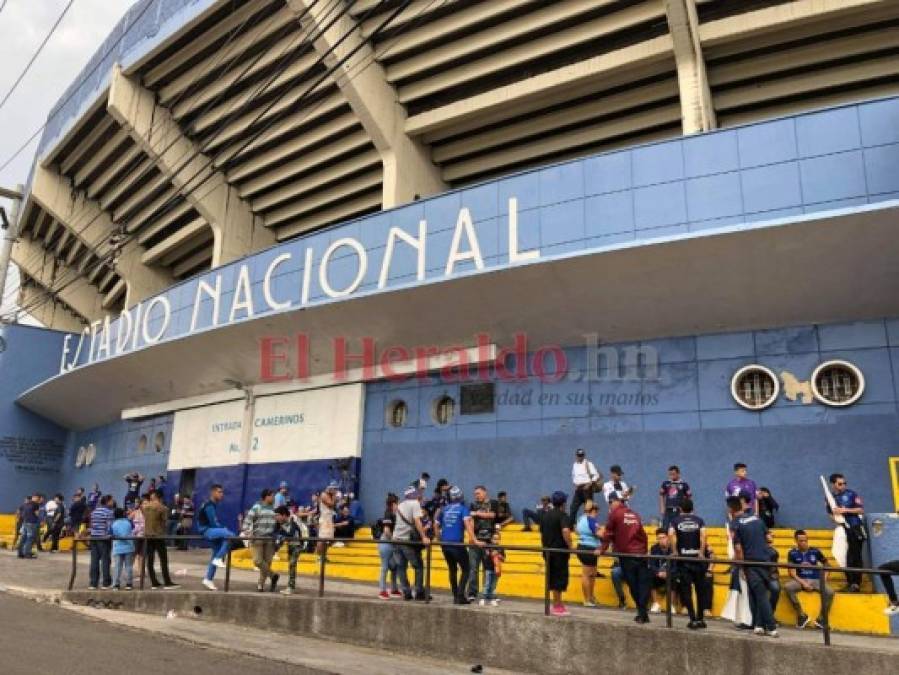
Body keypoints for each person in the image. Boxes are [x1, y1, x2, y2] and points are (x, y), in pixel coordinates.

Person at [728, 495, 777, 637]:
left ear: (731, 509)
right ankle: (759, 624)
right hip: (766, 561)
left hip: (751, 563)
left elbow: (738, 549)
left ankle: (771, 627)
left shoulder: (736, 524)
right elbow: (769, 538)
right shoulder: (757, 519)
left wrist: (742, 567)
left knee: (760, 595)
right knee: (755, 594)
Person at [600, 492, 651, 624]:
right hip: (640, 554)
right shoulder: (634, 514)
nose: (609, 506)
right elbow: (643, 535)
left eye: (610, 503)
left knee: (633, 585)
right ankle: (643, 613)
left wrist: (601, 549)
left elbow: (608, 533)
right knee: (643, 584)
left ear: (614, 501)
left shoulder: (615, 514)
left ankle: (642, 612)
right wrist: (644, 551)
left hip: (627, 555)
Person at [668, 498, 708, 630]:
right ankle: (701, 619)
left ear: (680, 509)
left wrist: (674, 551)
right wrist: (701, 552)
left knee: (686, 591)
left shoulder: (675, 521)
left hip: (684, 561)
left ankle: (693, 619)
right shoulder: (699, 520)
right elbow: (704, 536)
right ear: (692, 509)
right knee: (700, 591)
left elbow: (671, 535)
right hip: (698, 561)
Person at [436, 485, 478, 604]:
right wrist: (474, 539)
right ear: (460, 496)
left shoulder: (444, 509)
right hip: (457, 545)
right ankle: (460, 595)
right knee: (466, 569)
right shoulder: (463, 509)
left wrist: (440, 540)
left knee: (452, 569)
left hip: (445, 545)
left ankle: (455, 595)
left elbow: (435, 525)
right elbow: (467, 524)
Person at [785, 529, 833, 629]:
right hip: (800, 579)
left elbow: (827, 565)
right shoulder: (792, 553)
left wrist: (823, 580)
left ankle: (821, 619)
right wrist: (803, 583)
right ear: (796, 541)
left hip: (815, 580)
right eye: (801, 541)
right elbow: (791, 573)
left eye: (805, 540)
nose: (804, 543)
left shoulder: (815, 551)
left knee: (830, 592)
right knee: (788, 587)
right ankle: (801, 615)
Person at [827, 473, 866, 592]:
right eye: (839, 484)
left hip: (855, 527)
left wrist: (845, 510)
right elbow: (830, 514)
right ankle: (850, 582)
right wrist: (836, 518)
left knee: (855, 555)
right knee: (843, 556)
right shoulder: (830, 498)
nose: (843, 486)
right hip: (842, 528)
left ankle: (856, 583)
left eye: (844, 483)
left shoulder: (851, 494)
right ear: (833, 484)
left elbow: (861, 509)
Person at [393, 486, 430, 601]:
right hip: (406, 540)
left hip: (395, 540)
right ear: (414, 495)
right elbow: (417, 521)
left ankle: (406, 592)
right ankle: (419, 592)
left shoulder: (400, 505)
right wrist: (424, 537)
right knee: (418, 566)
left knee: (401, 567)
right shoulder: (414, 504)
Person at [540, 491, 573, 617]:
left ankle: (556, 604)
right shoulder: (563, 515)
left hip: (548, 551)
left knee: (552, 578)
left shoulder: (545, 515)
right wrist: (570, 545)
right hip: (559, 552)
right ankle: (557, 606)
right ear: (563, 503)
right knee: (559, 578)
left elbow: (542, 533)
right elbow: (565, 531)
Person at [197, 484, 234, 591]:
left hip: (209, 529)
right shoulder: (209, 505)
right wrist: (223, 529)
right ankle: (219, 558)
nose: (222, 494)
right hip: (206, 530)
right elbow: (213, 523)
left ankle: (208, 579)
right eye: (219, 492)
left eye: (222, 492)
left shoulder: (211, 504)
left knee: (217, 551)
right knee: (229, 535)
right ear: (213, 493)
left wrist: (222, 529)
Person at [243, 488, 280, 592]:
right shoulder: (257, 507)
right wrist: (248, 532)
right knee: (257, 561)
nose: (273, 498)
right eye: (272, 496)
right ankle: (273, 575)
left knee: (267, 562)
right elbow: (247, 521)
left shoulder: (274, 509)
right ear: (266, 496)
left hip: (270, 539)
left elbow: (277, 524)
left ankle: (261, 585)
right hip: (258, 538)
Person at [466, 486, 498, 600]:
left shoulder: (493, 503)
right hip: (475, 541)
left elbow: (492, 515)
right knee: (473, 568)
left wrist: (477, 513)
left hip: (488, 541)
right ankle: (472, 592)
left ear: (485, 492)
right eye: (475, 494)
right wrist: (472, 538)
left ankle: (487, 592)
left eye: (478, 493)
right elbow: (470, 521)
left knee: (488, 569)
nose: (476, 495)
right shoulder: (472, 505)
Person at [143, 491, 179, 589]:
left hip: (148, 535)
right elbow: (164, 521)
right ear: (160, 497)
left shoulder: (145, 507)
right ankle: (167, 581)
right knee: (163, 559)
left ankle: (154, 582)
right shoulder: (163, 508)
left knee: (150, 560)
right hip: (158, 535)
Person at [575, 501, 602, 607]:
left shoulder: (581, 518)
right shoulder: (591, 520)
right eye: (596, 512)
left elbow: (577, 530)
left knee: (593, 574)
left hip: (583, 546)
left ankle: (591, 597)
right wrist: (603, 531)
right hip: (588, 548)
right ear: (593, 510)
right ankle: (587, 599)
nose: (597, 514)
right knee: (587, 575)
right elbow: (599, 533)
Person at [272, 505, 304, 595]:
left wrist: (281, 535)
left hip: (298, 544)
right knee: (291, 565)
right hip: (290, 544)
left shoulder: (293, 520)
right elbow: (274, 533)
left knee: (292, 563)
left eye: (278, 515)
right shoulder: (278, 523)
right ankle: (291, 586)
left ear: (284, 515)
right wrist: (279, 536)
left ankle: (291, 587)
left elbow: (291, 533)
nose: (276, 517)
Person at [375, 493, 401, 600]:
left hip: (391, 543)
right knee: (385, 567)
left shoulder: (394, 514)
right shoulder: (388, 514)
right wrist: (394, 539)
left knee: (394, 567)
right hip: (386, 543)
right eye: (397, 503)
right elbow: (386, 531)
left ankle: (394, 589)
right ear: (393, 504)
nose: (398, 505)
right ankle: (382, 590)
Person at [88, 495, 115, 589]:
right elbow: (109, 527)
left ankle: (93, 583)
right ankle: (106, 582)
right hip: (103, 539)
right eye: (112, 501)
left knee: (94, 560)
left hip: (93, 537)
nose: (113, 502)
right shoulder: (109, 512)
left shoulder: (94, 512)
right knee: (105, 560)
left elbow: (92, 524)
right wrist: (110, 535)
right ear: (107, 502)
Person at [570, 448, 601, 523]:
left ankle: (590, 525)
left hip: (587, 489)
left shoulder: (589, 464)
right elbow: (573, 475)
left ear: (584, 456)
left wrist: (590, 483)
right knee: (573, 507)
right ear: (576, 456)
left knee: (589, 509)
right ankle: (571, 526)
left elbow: (596, 475)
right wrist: (575, 483)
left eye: (581, 455)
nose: (580, 457)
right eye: (579, 455)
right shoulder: (574, 465)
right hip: (578, 489)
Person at [648, 528, 674, 614]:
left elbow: (676, 565)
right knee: (649, 576)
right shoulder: (654, 548)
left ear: (668, 537)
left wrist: (668, 573)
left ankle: (671, 605)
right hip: (658, 574)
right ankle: (655, 604)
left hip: (670, 573)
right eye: (659, 538)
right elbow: (651, 564)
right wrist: (658, 572)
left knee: (676, 578)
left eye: (663, 537)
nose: (661, 540)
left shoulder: (674, 549)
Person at [659, 465, 691, 531]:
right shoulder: (666, 483)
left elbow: (689, 497)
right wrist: (662, 508)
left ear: (678, 474)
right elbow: (661, 495)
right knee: (665, 528)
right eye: (670, 474)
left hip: (679, 510)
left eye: (673, 474)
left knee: (678, 528)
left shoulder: (684, 484)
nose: (671, 476)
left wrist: (688, 510)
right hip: (668, 510)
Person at [111, 508, 135, 590]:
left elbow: (111, 533)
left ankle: (116, 584)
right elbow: (132, 529)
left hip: (118, 547)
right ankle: (129, 583)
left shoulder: (114, 524)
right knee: (129, 566)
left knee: (117, 566)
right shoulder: (128, 522)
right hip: (129, 547)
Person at [481, 529, 505, 607]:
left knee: (493, 585)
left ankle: (492, 599)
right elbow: (485, 556)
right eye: (494, 538)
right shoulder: (488, 547)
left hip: (497, 569)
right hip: (488, 568)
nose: (496, 540)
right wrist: (490, 553)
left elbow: (504, 559)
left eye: (497, 539)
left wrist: (500, 556)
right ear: (491, 539)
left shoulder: (501, 548)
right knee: (487, 584)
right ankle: (483, 598)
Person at [316, 483, 338, 563]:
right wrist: (335, 496)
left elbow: (333, 506)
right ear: (329, 488)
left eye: (336, 489)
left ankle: (323, 556)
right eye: (334, 489)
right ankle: (319, 557)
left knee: (328, 540)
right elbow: (331, 504)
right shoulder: (323, 495)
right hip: (324, 520)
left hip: (329, 519)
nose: (335, 490)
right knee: (322, 540)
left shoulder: (331, 496)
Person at [16, 494, 40, 559]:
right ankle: (27, 553)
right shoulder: (36, 504)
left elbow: (20, 512)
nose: (38, 499)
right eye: (38, 498)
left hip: (25, 522)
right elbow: (37, 514)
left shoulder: (25, 504)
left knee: (23, 538)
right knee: (30, 538)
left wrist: (19, 518)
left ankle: (20, 553)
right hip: (32, 523)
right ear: (35, 498)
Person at [764, 532, 781, 614]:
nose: (770, 544)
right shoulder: (756, 549)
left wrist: (773, 575)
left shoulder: (774, 552)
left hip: (770, 576)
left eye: (770, 542)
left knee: (776, 589)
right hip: (758, 575)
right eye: (768, 542)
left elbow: (773, 569)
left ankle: (770, 613)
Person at [129, 496, 146, 578]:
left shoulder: (147, 513)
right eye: (135, 502)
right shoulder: (135, 512)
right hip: (136, 536)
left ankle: (141, 571)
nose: (135, 504)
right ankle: (129, 571)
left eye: (137, 502)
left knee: (142, 555)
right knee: (133, 554)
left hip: (144, 536)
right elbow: (128, 519)